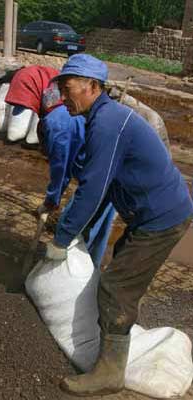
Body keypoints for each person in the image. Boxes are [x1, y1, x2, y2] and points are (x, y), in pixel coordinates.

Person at [45, 54, 193, 396]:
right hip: (151, 214)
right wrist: (69, 221)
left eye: (68, 90)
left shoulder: (109, 122)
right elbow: (93, 178)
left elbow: (93, 190)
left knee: (115, 286)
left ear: (93, 87)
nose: (63, 97)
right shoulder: (102, 118)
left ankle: (109, 374)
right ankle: (120, 331)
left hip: (162, 218)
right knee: (122, 275)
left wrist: (62, 238)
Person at [5, 65, 115, 268]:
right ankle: (82, 270)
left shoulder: (59, 122)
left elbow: (61, 169)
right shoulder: (63, 113)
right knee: (92, 229)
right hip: (101, 176)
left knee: (79, 228)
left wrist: (52, 200)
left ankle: (73, 277)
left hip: (103, 180)